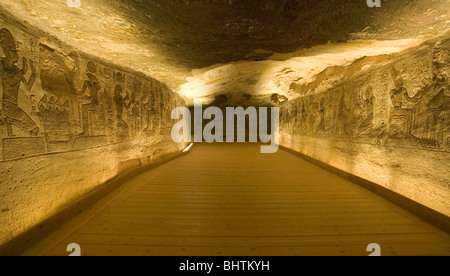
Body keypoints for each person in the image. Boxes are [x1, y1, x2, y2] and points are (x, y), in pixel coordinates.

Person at [0, 28, 39, 136]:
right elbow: (10, 80)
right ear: (7, 52)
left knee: (33, 130)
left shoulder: (17, 70)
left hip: (13, 105)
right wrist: (22, 72)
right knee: (33, 127)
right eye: (14, 51)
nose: (16, 54)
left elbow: (28, 86)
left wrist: (34, 73)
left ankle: (9, 122)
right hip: (8, 105)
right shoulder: (2, 67)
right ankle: (8, 121)